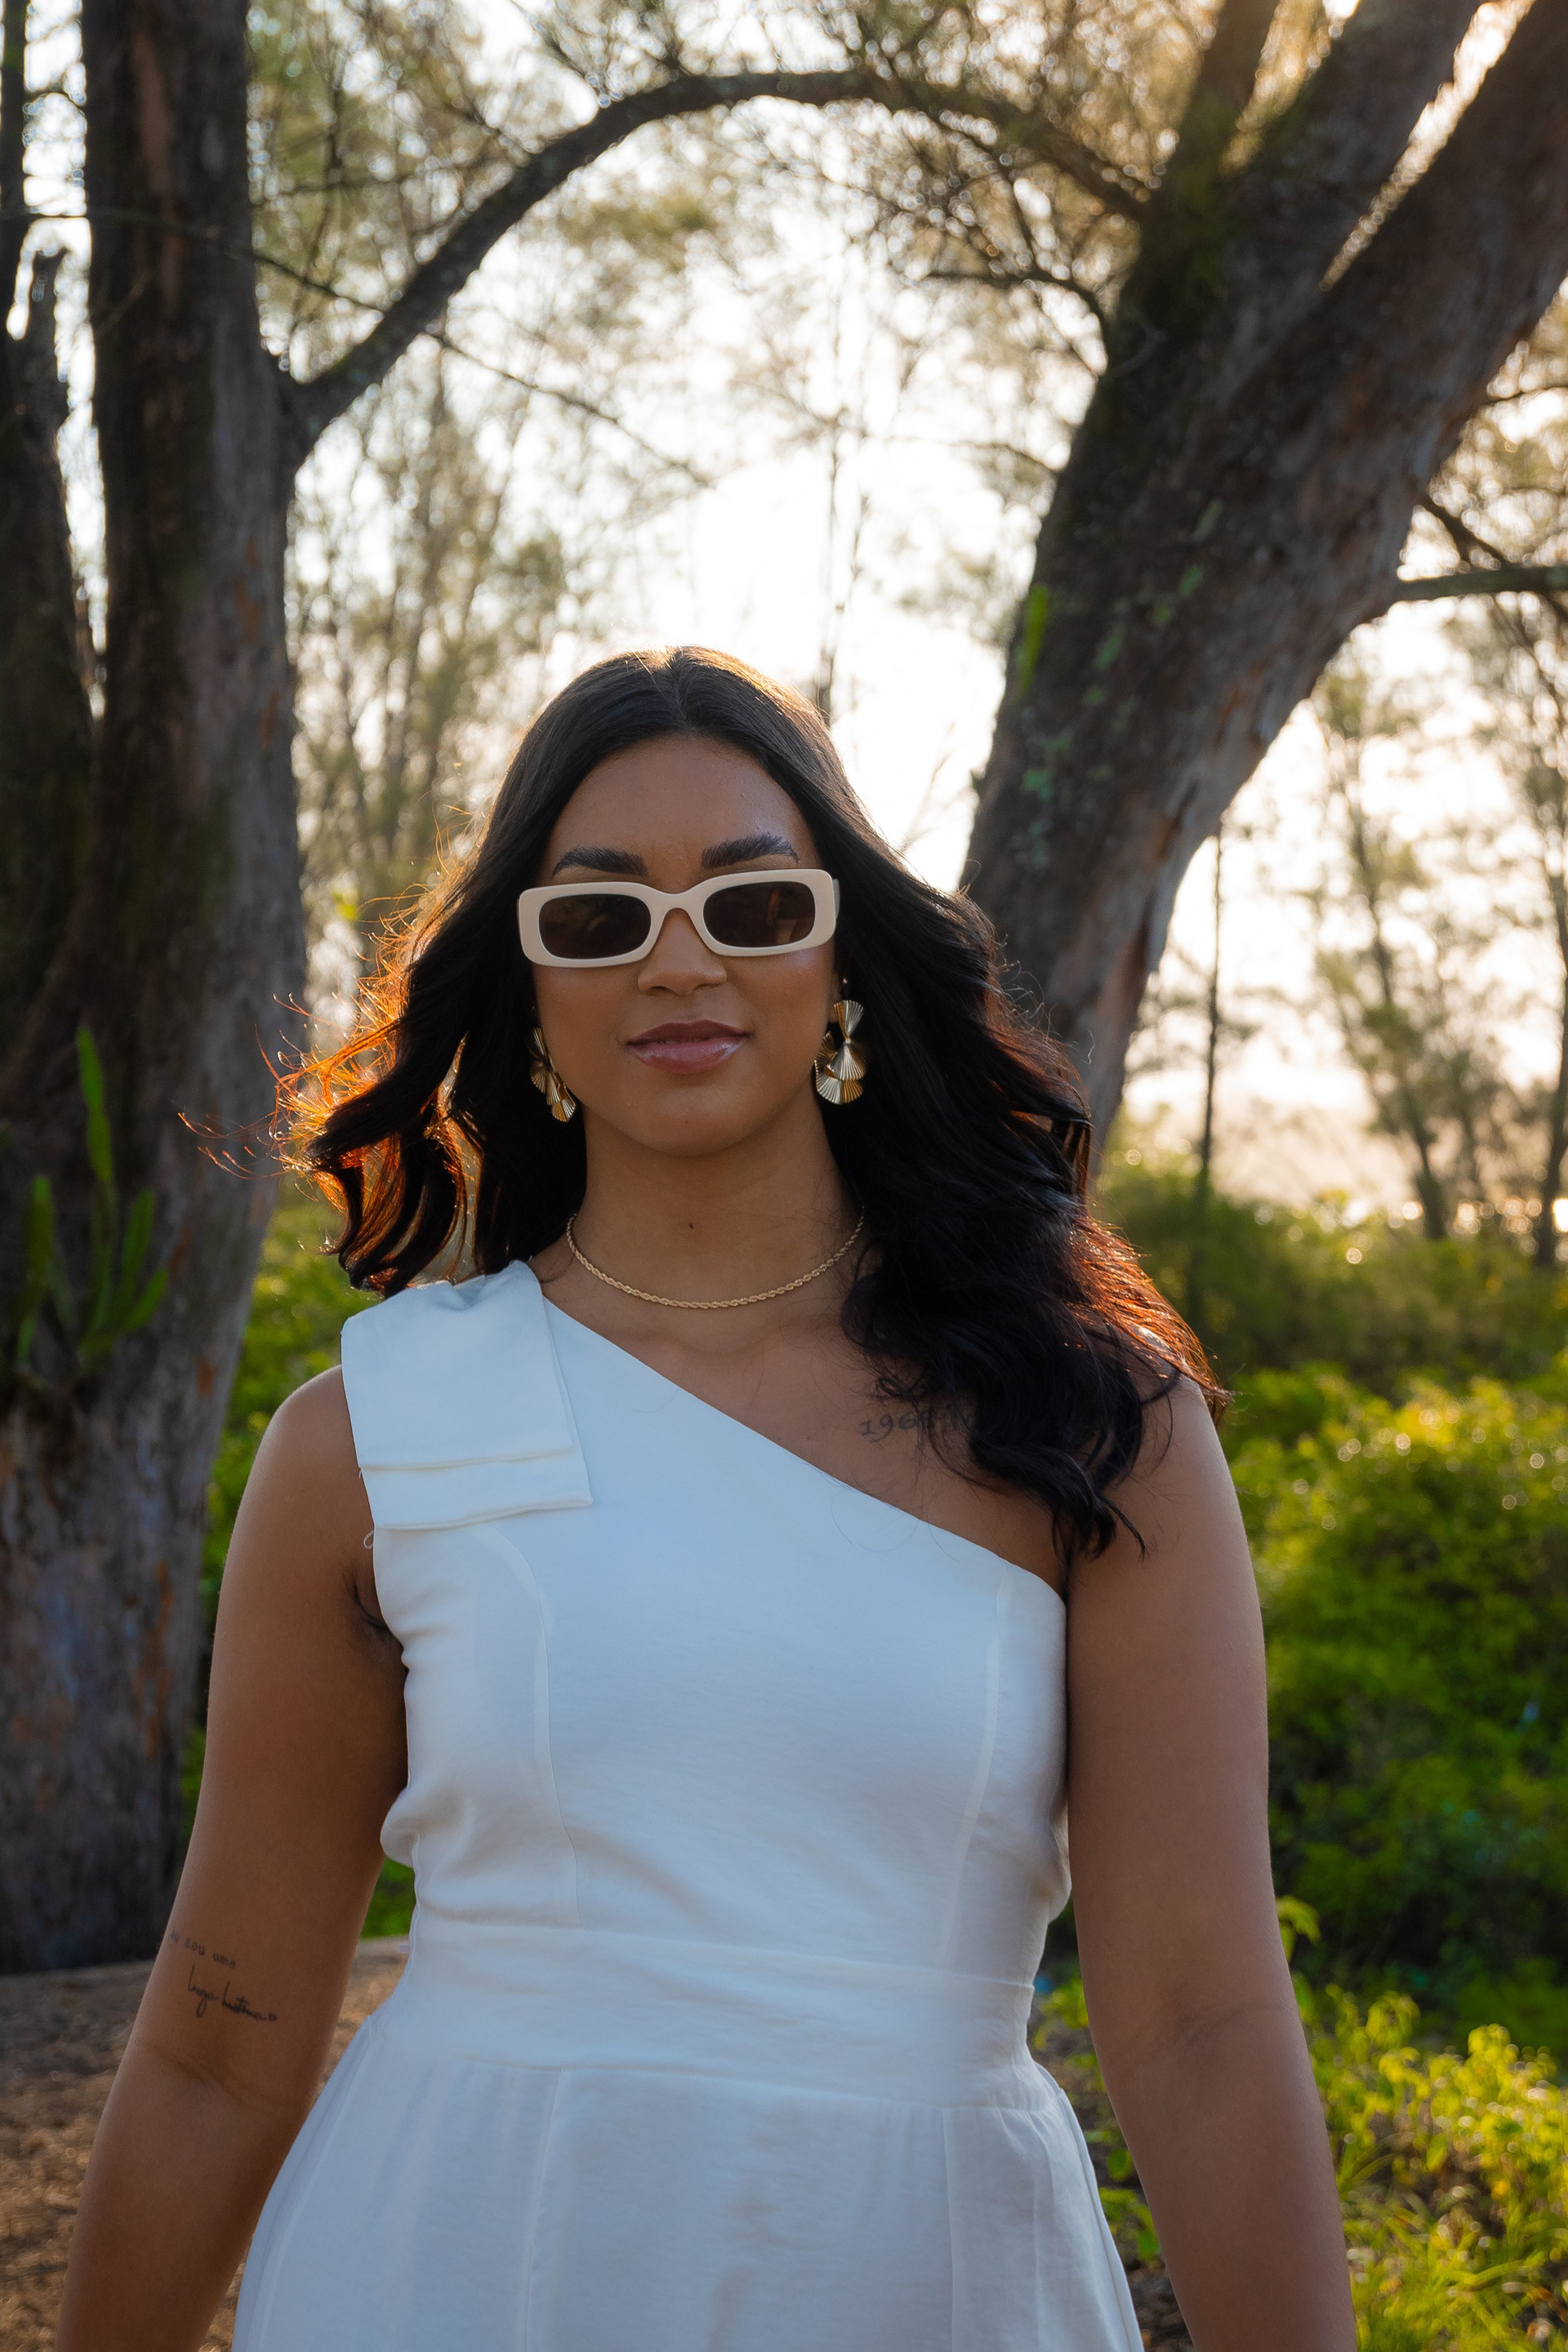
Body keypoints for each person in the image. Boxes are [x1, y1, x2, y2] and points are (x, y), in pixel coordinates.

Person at [57, 646, 1353, 2352]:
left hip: (925, 2276)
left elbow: (1199, 2020)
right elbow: (219, 2051)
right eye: (600, 918)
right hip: (459, 2265)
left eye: (753, 905)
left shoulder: (1092, 1428)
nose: (681, 960)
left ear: (842, 959)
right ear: (529, 986)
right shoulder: (373, 1438)